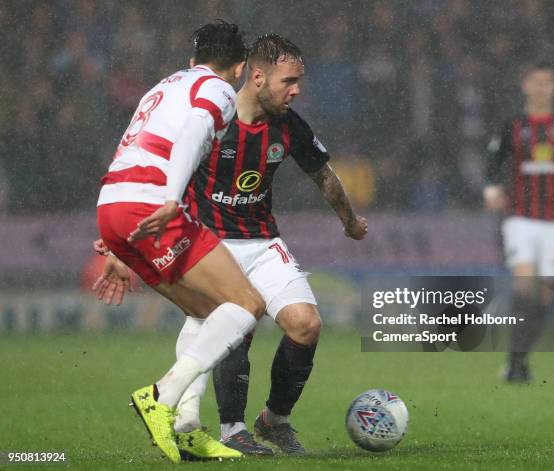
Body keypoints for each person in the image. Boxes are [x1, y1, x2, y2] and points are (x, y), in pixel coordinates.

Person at [96, 34, 368, 455]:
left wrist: (349, 222)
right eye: (289, 81)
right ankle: (229, 429)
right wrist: (121, 248)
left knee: (305, 325)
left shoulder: (288, 124)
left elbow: (324, 175)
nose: (296, 90)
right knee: (234, 321)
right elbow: (167, 173)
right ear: (256, 76)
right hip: (210, 241)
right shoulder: (215, 120)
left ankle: (274, 421)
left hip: (262, 241)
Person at [96, 21, 265, 463]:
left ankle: (188, 428)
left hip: (115, 204)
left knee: (206, 311)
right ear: (240, 68)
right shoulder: (219, 89)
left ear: (192, 59)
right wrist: (170, 201)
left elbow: (137, 147)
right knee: (247, 304)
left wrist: (117, 245)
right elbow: (191, 133)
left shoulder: (166, 84)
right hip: (153, 204)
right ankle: (162, 397)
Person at [483, 61, 554, 382]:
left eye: (547, 82)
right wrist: (491, 190)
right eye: (536, 81)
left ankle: (518, 359)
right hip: (520, 217)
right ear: (525, 85)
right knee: (524, 286)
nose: (542, 87)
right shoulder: (513, 124)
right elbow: (493, 160)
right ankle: (516, 367)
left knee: (545, 295)